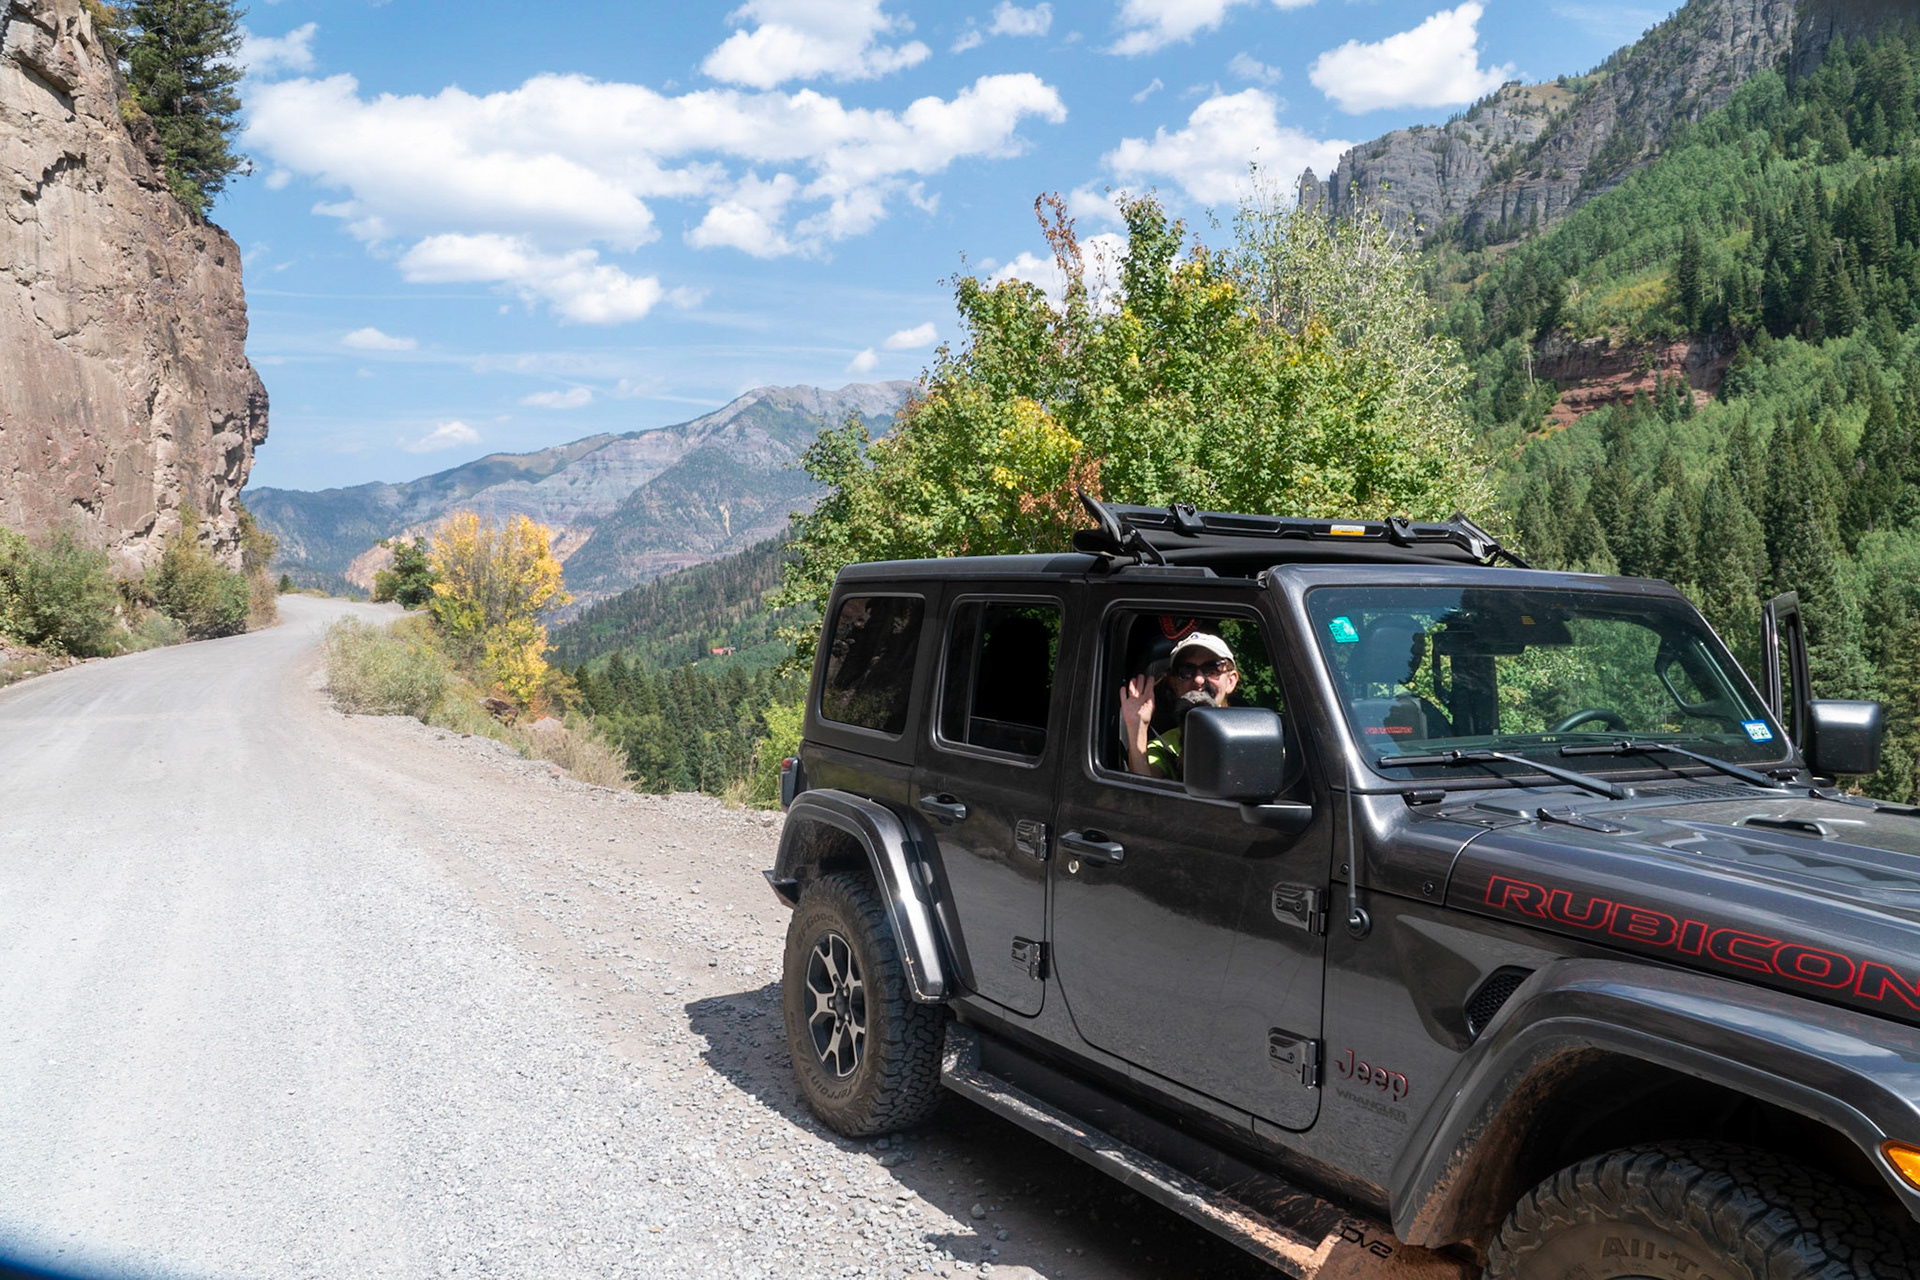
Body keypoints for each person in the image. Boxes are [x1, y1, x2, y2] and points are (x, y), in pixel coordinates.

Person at [1120, 632, 1239, 779]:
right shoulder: (1165, 745)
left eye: (1211, 669)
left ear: (1231, 681)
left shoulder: (1251, 733)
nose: (1199, 679)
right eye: (1186, 671)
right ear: (1174, 684)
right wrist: (1137, 726)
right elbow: (1143, 789)